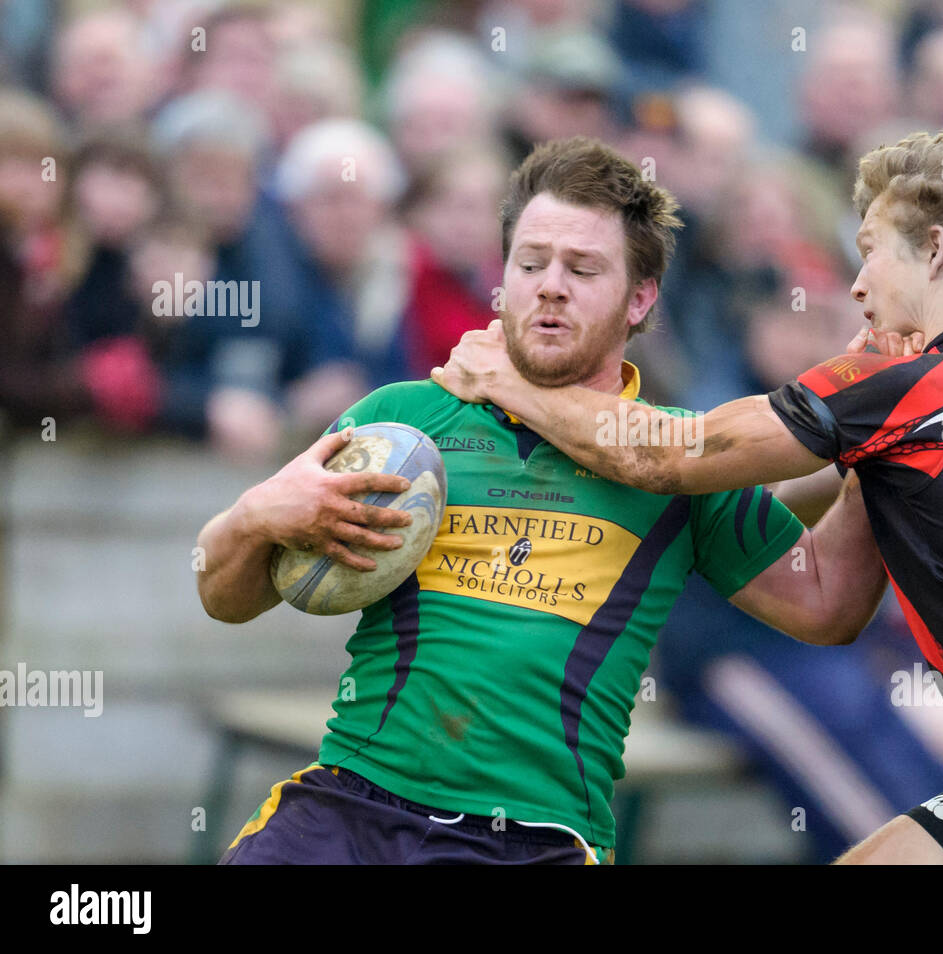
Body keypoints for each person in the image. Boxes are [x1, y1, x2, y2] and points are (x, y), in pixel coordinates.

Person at [434, 129, 943, 864]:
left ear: (934, 250)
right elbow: (830, 600)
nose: (854, 286)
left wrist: (513, 383)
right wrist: (850, 450)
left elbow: (678, 455)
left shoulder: (924, 385)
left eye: (868, 252)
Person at [196, 136, 882, 865]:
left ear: (640, 298)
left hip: (532, 841)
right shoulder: (400, 419)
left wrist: (884, 436)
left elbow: (826, 604)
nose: (550, 285)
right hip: (350, 806)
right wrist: (253, 518)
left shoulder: (683, 460)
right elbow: (223, 595)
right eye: (530, 264)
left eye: (583, 268)